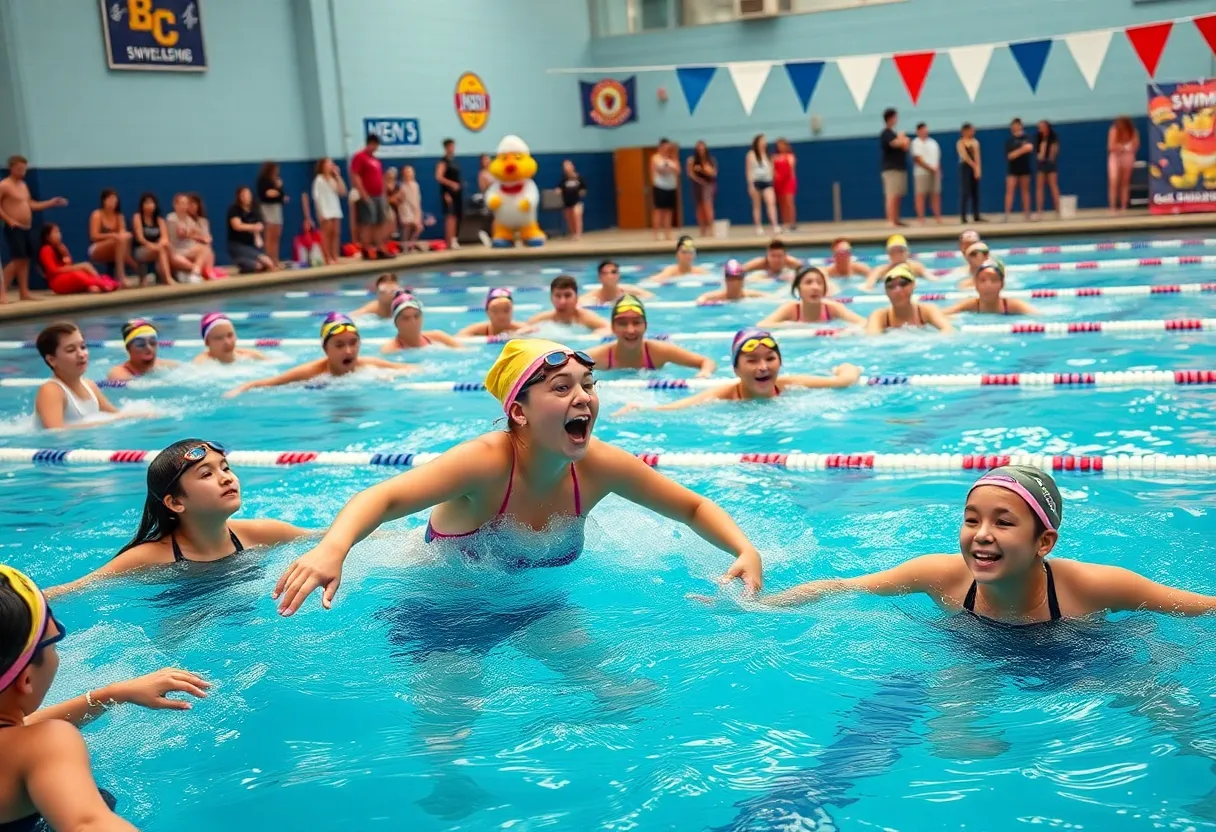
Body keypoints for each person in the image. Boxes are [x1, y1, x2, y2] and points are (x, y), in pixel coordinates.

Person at [271, 337, 766, 617]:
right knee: (450, 727)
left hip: (534, 600)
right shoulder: (484, 463)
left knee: (621, 692)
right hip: (442, 601)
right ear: (520, 413)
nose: (584, 398)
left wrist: (743, 549)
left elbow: (692, 507)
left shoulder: (598, 465)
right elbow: (380, 498)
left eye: (588, 385)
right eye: (561, 387)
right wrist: (332, 549)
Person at [752, 466, 1216, 622]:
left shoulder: (1096, 586)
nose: (981, 534)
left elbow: (1201, 607)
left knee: (1160, 705)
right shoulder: (940, 575)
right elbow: (844, 587)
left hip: (1081, 656)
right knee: (953, 731)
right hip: (974, 646)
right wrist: (758, 606)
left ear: (1044, 542)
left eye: (1003, 522)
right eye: (971, 520)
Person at [0, 564, 211, 831]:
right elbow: (88, 824)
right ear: (26, 679)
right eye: (55, 641)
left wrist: (110, 694)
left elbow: (19, 728)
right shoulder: (44, 743)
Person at [45, 441, 311, 598]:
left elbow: (329, 539)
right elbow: (75, 589)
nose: (227, 477)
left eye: (226, 468)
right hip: (184, 616)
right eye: (206, 474)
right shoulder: (148, 557)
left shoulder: (264, 532)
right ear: (175, 502)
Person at [617, 329, 860, 413]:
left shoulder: (790, 385)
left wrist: (845, 367)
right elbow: (678, 408)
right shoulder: (724, 395)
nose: (763, 367)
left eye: (770, 359)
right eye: (752, 360)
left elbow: (844, 381)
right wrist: (641, 408)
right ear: (736, 369)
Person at [225, 314, 416, 397]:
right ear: (326, 349)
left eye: (353, 343)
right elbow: (266, 383)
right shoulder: (311, 372)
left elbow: (414, 369)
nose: (348, 351)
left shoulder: (369, 366)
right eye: (339, 345)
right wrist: (239, 389)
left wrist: (391, 376)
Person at [585, 295, 715, 376]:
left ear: (645, 326)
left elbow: (706, 362)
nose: (631, 330)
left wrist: (705, 372)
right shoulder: (598, 357)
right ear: (613, 328)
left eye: (636, 323)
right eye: (623, 324)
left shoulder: (660, 351)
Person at [0, 156, 67, 304]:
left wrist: (51, 203)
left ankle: (24, 292)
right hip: (14, 227)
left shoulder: (23, 185)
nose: (22, 172)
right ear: (11, 168)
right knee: (17, 260)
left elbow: (31, 204)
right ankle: (1, 292)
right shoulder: (4, 185)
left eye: (24, 169)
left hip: (26, 227)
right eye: (19, 169)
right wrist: (9, 219)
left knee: (25, 260)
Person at [33, 322, 126, 430]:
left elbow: (117, 416)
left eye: (83, 347)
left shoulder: (90, 386)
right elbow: (55, 431)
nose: (81, 354)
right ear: (51, 360)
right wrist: (102, 422)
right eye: (71, 350)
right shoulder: (51, 391)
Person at [759, 266, 865, 327]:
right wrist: (791, 325)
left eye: (819, 283)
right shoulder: (791, 309)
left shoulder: (833, 308)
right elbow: (762, 325)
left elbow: (863, 322)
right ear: (798, 289)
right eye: (808, 282)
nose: (815, 287)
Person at [865, 265, 954, 335]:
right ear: (886, 291)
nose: (898, 290)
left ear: (913, 285)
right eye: (891, 286)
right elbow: (872, 340)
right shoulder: (880, 316)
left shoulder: (926, 310)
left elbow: (948, 330)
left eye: (903, 284)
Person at [37, 224, 119, 294]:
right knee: (77, 274)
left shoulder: (60, 248)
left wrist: (65, 253)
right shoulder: (46, 249)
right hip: (56, 282)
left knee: (83, 271)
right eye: (55, 232)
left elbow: (68, 263)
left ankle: (94, 285)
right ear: (47, 237)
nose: (59, 234)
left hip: (64, 276)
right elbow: (52, 271)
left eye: (59, 232)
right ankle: (102, 283)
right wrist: (74, 268)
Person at [943, 260, 1037, 317]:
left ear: (1002, 284)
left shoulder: (1014, 306)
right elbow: (942, 314)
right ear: (976, 285)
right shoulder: (970, 304)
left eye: (994, 280)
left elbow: (1038, 316)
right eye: (983, 280)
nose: (988, 285)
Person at [380, 292, 463, 353]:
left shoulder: (439, 337)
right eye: (406, 318)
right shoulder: (390, 350)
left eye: (416, 316)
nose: (413, 322)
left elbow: (465, 352)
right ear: (396, 323)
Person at [351, 133, 389, 258]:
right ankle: (366, 249)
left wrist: (384, 194)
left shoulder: (376, 160)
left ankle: (379, 248)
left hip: (379, 196)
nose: (376, 148)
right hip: (368, 195)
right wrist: (363, 194)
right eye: (375, 145)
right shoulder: (359, 157)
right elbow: (355, 175)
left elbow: (380, 178)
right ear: (370, 144)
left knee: (380, 222)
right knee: (368, 222)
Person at [528, 275, 609, 331]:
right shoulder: (542, 320)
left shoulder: (587, 318)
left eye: (567, 296)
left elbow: (609, 328)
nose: (562, 301)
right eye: (557, 296)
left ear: (577, 298)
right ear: (551, 298)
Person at [87, 189, 134, 287]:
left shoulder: (119, 216)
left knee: (126, 237)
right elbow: (94, 236)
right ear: (103, 201)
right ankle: (121, 276)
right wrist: (111, 235)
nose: (112, 202)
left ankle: (124, 267)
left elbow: (122, 233)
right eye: (110, 199)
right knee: (120, 239)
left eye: (114, 200)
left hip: (116, 247)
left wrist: (122, 234)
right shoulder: (97, 214)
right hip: (97, 248)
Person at [166, 192, 217, 281]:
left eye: (185, 204)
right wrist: (197, 236)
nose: (184, 206)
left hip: (188, 248)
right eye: (181, 203)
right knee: (177, 258)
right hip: (176, 251)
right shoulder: (171, 218)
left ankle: (197, 273)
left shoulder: (188, 219)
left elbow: (197, 232)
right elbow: (181, 233)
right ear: (175, 205)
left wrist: (205, 237)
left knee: (206, 250)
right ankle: (196, 272)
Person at [107, 320, 181, 381]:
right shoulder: (119, 374)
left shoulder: (167, 365)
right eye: (140, 344)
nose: (149, 348)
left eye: (152, 342)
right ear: (128, 349)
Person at [226, 186, 276, 273]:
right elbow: (237, 226)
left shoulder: (255, 210)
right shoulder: (234, 210)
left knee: (260, 266)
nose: (246, 197)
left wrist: (257, 235)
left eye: (248, 195)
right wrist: (253, 227)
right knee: (267, 261)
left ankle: (244, 264)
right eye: (243, 195)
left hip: (251, 245)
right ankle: (241, 260)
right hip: (237, 245)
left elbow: (260, 227)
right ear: (239, 197)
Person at [131, 192, 175, 285]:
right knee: (161, 250)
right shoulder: (138, 217)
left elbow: (164, 238)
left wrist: (159, 245)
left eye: (151, 203)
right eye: (146, 203)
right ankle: (167, 278)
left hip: (157, 248)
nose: (149, 205)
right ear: (142, 205)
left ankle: (169, 275)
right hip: (141, 249)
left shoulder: (159, 219)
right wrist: (153, 246)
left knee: (166, 247)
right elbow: (140, 238)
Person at [457, 288, 536, 338]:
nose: (501, 315)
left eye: (506, 310)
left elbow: (532, 330)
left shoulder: (519, 328)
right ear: (487, 312)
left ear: (512, 311)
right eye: (495, 311)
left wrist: (517, 334)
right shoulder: (477, 329)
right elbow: (459, 337)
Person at [193, 313, 269, 364]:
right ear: (207, 342)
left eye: (230, 335)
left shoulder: (253, 356)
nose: (227, 342)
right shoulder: (202, 363)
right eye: (219, 338)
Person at [311, 158, 347, 265]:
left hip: (335, 208)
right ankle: (327, 257)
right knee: (327, 234)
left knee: (336, 233)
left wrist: (338, 176)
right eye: (328, 163)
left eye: (332, 163)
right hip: (325, 209)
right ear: (323, 165)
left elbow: (343, 192)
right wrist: (319, 212)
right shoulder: (319, 180)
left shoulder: (333, 179)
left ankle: (335, 256)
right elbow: (316, 197)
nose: (331, 165)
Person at [861, 234, 929, 290]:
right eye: (894, 251)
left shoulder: (917, 267)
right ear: (889, 254)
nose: (897, 255)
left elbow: (933, 280)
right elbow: (867, 287)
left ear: (907, 252)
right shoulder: (880, 270)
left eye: (901, 251)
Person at [879, 109, 910, 227]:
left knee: (898, 195)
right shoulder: (886, 133)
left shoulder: (894, 134)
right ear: (890, 118)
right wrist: (902, 138)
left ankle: (896, 219)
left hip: (900, 167)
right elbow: (896, 144)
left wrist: (902, 140)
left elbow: (905, 146)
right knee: (891, 195)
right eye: (895, 117)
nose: (896, 120)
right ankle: (890, 220)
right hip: (890, 168)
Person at [746, 134, 780, 236]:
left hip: (767, 182)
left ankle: (775, 225)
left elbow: (772, 169)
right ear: (757, 142)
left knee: (771, 203)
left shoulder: (768, 155)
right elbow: (748, 171)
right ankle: (758, 227)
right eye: (761, 141)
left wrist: (772, 180)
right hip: (756, 182)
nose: (763, 143)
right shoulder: (751, 155)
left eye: (764, 141)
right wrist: (750, 185)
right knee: (757, 206)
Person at [697, 259, 771, 305]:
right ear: (726, 280)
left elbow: (771, 297)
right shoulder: (718, 296)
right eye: (731, 279)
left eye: (738, 278)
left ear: (743, 280)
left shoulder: (750, 295)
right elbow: (701, 299)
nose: (735, 283)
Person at [580, 260, 653, 306]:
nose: (609, 276)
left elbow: (651, 297)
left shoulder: (631, 291)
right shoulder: (591, 298)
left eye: (613, 272)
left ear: (618, 276)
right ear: (600, 277)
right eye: (605, 273)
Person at [255, 161, 287, 264]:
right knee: (270, 235)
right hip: (267, 208)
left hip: (277, 207)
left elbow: (280, 194)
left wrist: (278, 192)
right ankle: (270, 261)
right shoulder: (263, 180)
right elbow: (267, 194)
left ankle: (275, 259)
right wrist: (276, 191)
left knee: (277, 235)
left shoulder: (277, 180)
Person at [435, 138, 463, 251]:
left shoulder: (454, 161)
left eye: (453, 146)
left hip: (457, 193)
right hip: (448, 192)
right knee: (450, 216)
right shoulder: (443, 162)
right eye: (451, 146)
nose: (452, 148)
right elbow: (438, 177)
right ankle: (449, 241)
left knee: (456, 216)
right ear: (446, 148)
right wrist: (451, 184)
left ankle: (455, 239)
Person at [911, 123, 942, 224]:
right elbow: (917, 159)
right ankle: (921, 217)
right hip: (921, 173)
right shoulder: (915, 143)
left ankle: (937, 217)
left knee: (935, 194)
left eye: (926, 129)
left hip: (934, 171)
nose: (925, 131)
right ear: (918, 131)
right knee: (920, 195)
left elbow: (937, 159)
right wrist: (929, 168)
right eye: (923, 130)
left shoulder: (933, 143)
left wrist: (937, 170)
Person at [1004, 118, 1034, 222]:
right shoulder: (1010, 141)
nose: (1014, 127)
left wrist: (1018, 152)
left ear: (1021, 126)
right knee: (1010, 191)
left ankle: (1027, 214)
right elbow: (1010, 156)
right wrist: (1021, 150)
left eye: (1017, 125)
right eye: (1013, 126)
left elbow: (1030, 148)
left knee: (1025, 191)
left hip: (1024, 168)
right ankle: (1007, 214)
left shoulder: (1027, 137)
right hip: (1012, 169)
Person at [1108, 116, 1139, 214]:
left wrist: (1126, 148)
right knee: (1113, 180)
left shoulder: (1133, 131)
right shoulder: (1114, 130)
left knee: (1125, 183)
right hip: (1115, 157)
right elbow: (1111, 146)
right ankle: (1113, 207)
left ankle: (1123, 207)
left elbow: (1136, 145)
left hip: (1128, 156)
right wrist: (1122, 147)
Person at [650, 139, 680, 241]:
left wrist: (670, 166)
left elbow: (678, 170)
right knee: (659, 211)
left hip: (671, 187)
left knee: (668, 211)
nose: (666, 149)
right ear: (660, 147)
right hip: (660, 186)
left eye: (667, 147)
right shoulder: (656, 158)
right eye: (664, 147)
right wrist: (668, 168)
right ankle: (656, 235)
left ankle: (668, 233)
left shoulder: (673, 158)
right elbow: (659, 170)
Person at [687, 141, 717, 237]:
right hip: (697, 186)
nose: (701, 151)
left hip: (708, 185)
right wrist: (699, 180)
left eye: (703, 149)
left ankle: (711, 229)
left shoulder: (710, 160)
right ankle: (702, 229)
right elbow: (690, 173)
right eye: (699, 149)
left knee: (708, 206)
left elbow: (713, 173)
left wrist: (703, 169)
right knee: (700, 208)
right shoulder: (691, 160)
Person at [737, 239, 803, 281]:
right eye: (773, 256)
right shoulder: (759, 263)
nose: (776, 260)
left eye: (779, 256)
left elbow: (808, 270)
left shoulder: (793, 263)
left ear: (785, 257)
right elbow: (737, 272)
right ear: (767, 256)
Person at [957, 123, 983, 224]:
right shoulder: (960, 142)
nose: (973, 132)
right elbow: (964, 156)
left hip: (974, 167)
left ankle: (976, 215)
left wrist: (978, 169)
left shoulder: (975, 142)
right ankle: (963, 216)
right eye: (971, 130)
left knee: (975, 192)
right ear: (965, 131)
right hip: (965, 167)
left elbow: (977, 156)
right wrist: (973, 165)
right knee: (965, 192)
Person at [554, 160, 585, 241]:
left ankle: (578, 234)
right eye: (565, 167)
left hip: (576, 201)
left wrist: (582, 191)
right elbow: (560, 187)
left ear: (572, 167)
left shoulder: (578, 177)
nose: (566, 169)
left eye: (567, 166)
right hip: (567, 201)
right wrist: (558, 190)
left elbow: (584, 187)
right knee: (569, 218)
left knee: (576, 216)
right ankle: (573, 233)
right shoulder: (564, 179)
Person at [1035, 121, 1060, 219]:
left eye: (1042, 127)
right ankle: (1039, 211)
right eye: (1039, 127)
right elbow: (1038, 152)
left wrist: (1049, 157)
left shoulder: (1053, 137)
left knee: (1053, 186)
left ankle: (1058, 210)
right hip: (1041, 163)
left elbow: (1054, 151)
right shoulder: (1038, 138)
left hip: (1050, 163)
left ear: (1047, 127)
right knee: (1039, 187)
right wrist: (1040, 156)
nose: (1040, 129)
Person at [397, 165, 423, 252]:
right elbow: (400, 199)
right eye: (407, 172)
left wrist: (418, 212)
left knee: (418, 227)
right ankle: (405, 246)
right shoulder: (402, 186)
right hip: (405, 209)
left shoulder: (416, 185)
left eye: (411, 172)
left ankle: (411, 244)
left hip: (414, 209)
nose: (409, 174)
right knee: (407, 227)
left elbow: (417, 199)